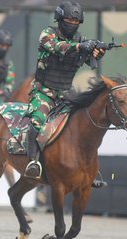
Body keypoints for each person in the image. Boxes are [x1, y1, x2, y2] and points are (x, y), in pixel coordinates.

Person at [24, 1, 107, 189]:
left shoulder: (81, 40)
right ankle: (33, 163)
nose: (72, 23)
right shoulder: (48, 34)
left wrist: (97, 52)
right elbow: (58, 47)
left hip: (66, 93)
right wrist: (80, 47)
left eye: (75, 20)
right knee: (37, 122)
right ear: (60, 19)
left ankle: (88, 169)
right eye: (68, 19)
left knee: (83, 126)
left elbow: (89, 59)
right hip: (44, 91)